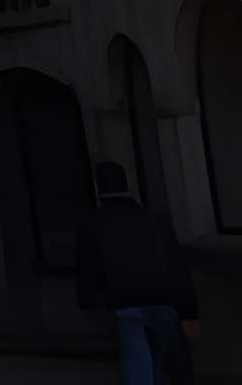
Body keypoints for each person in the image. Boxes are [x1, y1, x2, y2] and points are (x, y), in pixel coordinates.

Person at [77, 162, 198, 385]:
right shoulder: (153, 216)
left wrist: (89, 301)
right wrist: (189, 311)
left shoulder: (94, 223)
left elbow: (89, 267)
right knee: (176, 367)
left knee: (139, 369)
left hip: (125, 302)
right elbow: (176, 264)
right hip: (162, 298)